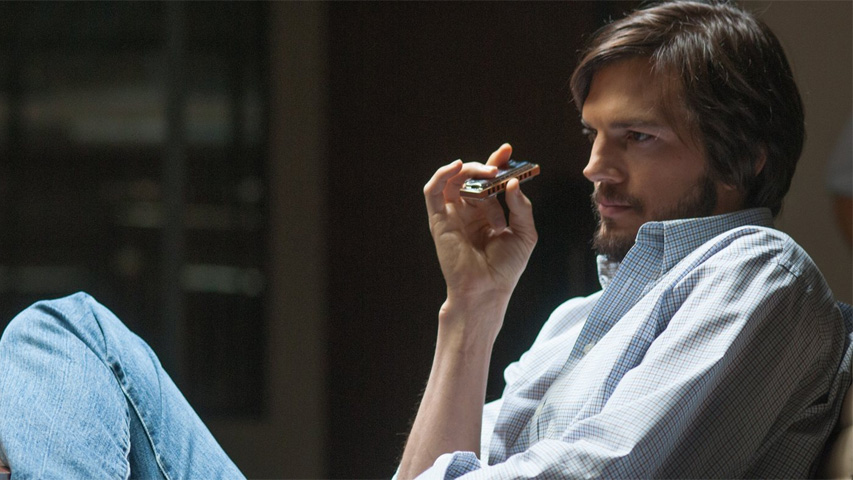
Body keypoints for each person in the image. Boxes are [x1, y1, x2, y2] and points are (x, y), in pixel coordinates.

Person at [397, 1, 851, 479]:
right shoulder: (571, 322)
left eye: (637, 136)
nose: (594, 167)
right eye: (592, 134)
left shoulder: (757, 273)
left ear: (744, 158)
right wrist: (472, 307)